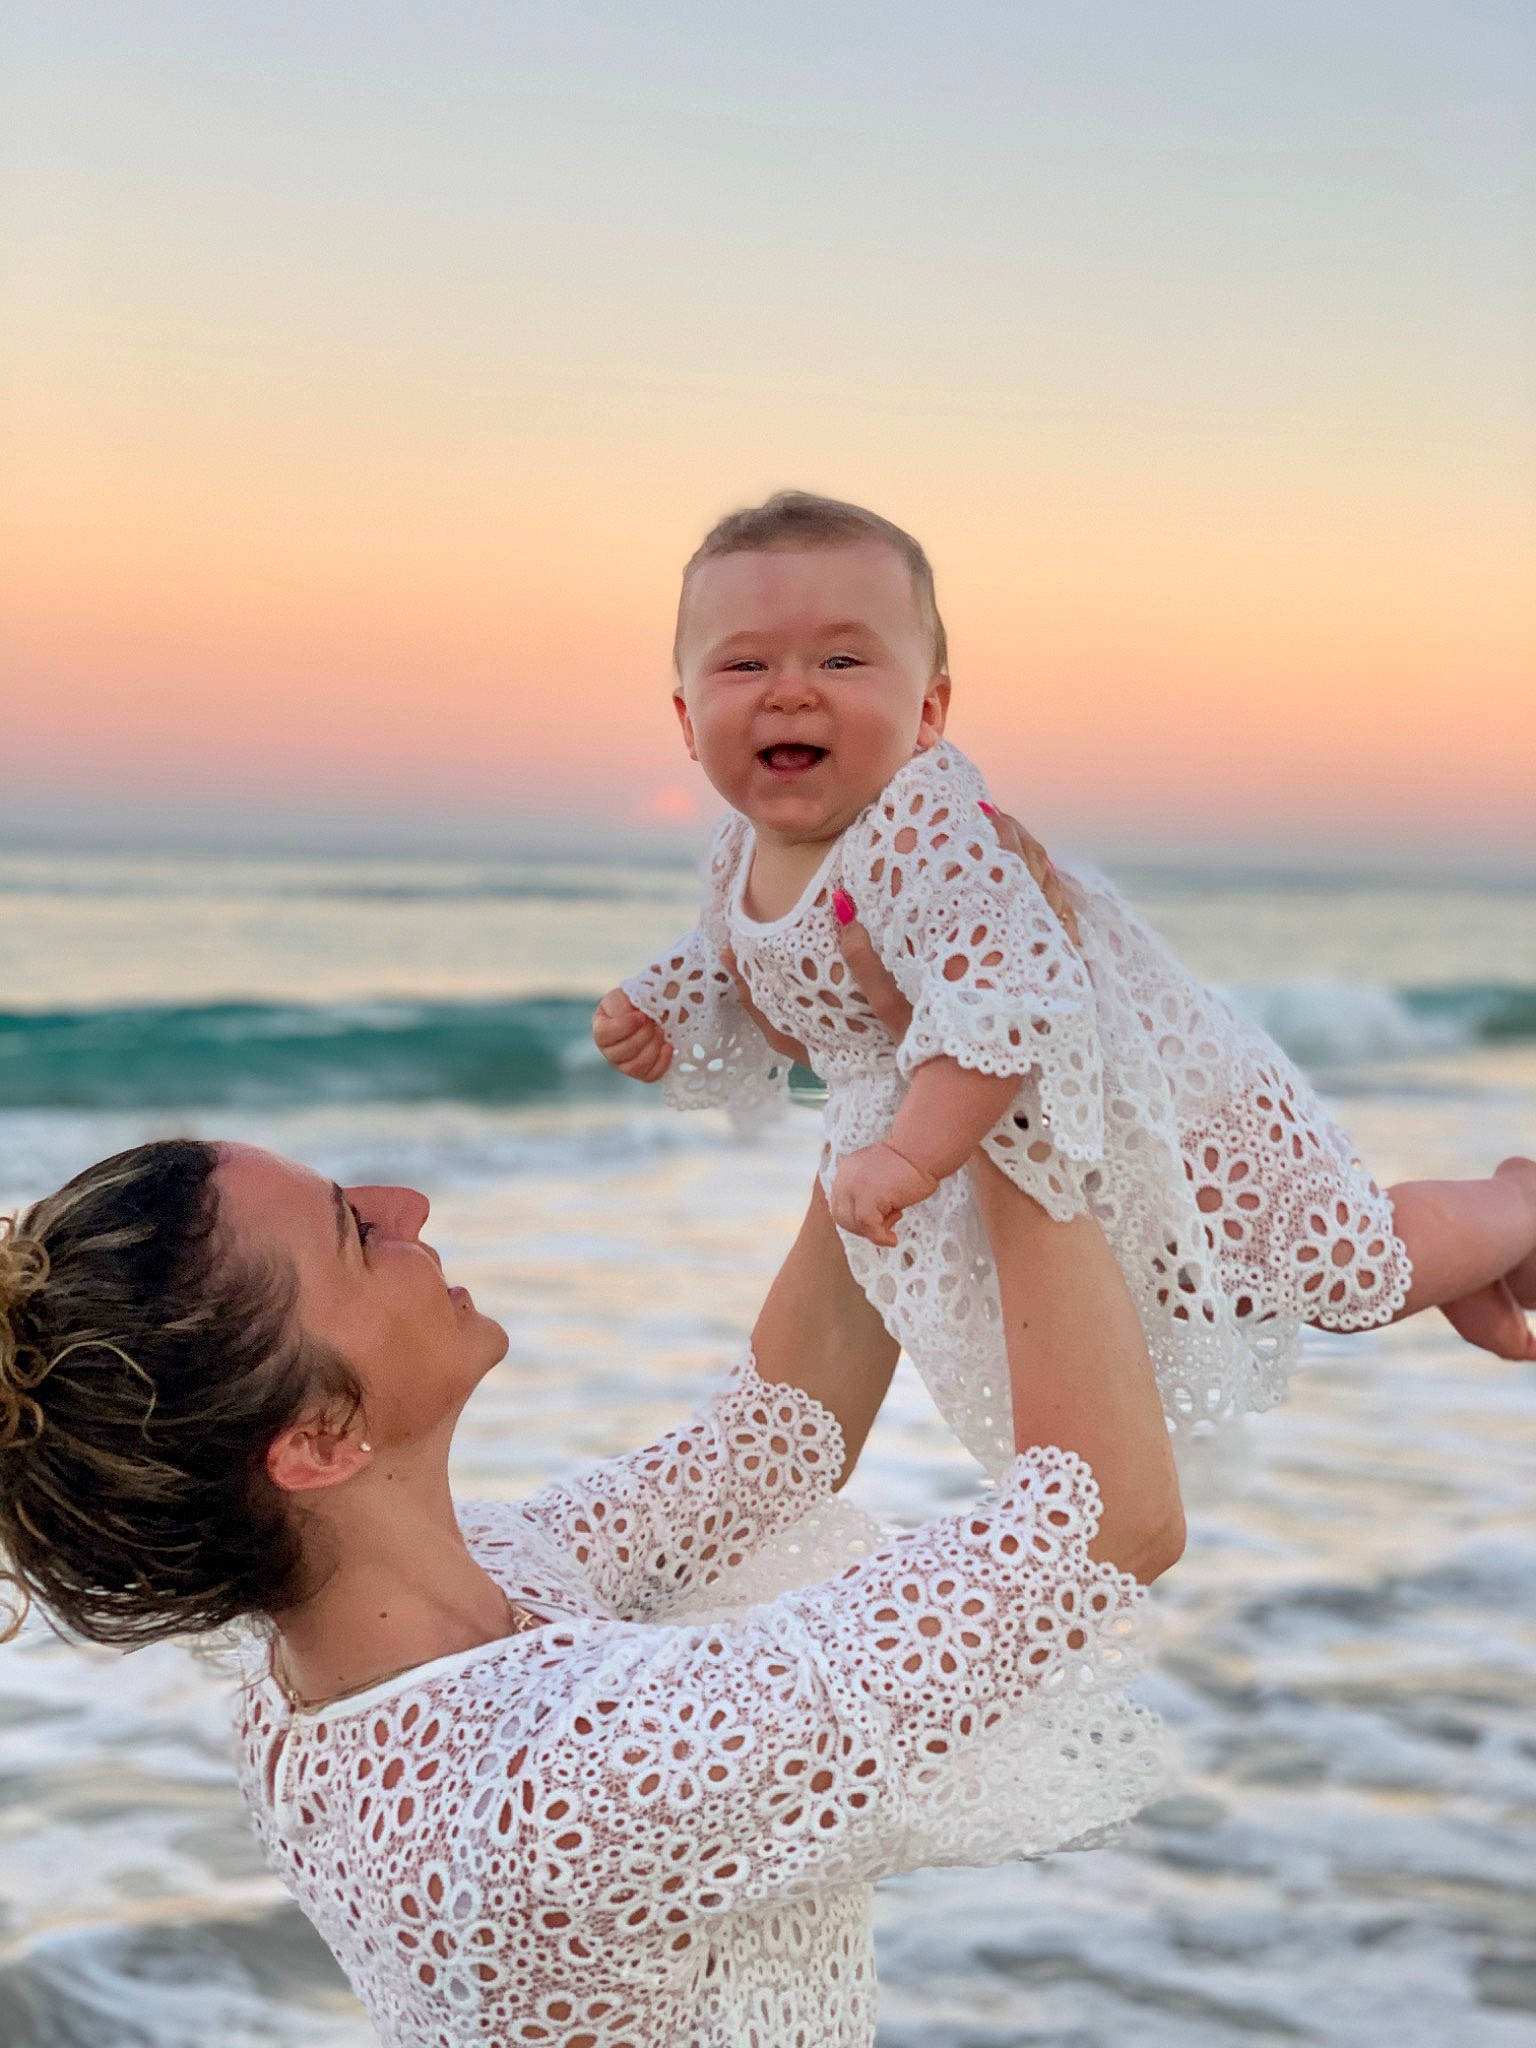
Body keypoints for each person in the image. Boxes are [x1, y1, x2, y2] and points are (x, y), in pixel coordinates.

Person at [0, 909, 1182, 2048]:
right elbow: (1106, 1524)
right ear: (313, 1442)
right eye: (357, 1232)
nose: (408, 1205)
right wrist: (1009, 1090)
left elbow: (774, 1438)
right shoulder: (562, 1783)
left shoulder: (405, 1629)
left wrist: (890, 1065)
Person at [596, 490, 1536, 1470]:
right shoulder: (735, 856)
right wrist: (660, 1005)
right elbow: (737, 957)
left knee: (1332, 1267)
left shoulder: (928, 836)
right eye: (746, 662)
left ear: (928, 712)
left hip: (1149, 1096)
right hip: (1017, 1133)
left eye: (840, 659)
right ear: (684, 713)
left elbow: (1004, 1005)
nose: (790, 691)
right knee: (1212, 1293)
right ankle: (1466, 1256)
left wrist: (911, 1159)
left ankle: (1513, 1206)